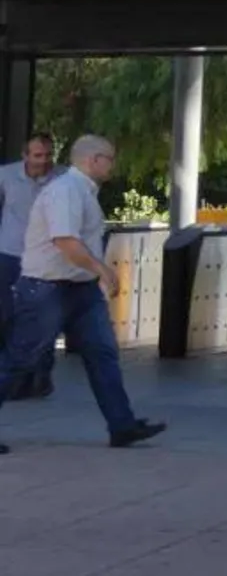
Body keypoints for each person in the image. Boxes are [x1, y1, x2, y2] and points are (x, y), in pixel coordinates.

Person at [0, 135, 165, 455]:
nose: (112, 165)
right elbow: (64, 239)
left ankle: (122, 425)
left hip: (81, 290)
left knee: (102, 353)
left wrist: (93, 274)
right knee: (21, 359)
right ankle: (122, 423)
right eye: (110, 159)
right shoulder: (66, 192)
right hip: (46, 289)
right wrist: (102, 269)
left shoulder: (83, 191)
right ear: (93, 160)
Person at [0, 133, 62, 401]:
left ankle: (40, 377)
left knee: (43, 318)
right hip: (10, 255)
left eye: (48, 155)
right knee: (8, 316)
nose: (43, 161)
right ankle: (13, 380)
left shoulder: (63, 178)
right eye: (38, 155)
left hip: (46, 258)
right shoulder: (5, 176)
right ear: (25, 155)